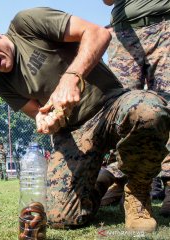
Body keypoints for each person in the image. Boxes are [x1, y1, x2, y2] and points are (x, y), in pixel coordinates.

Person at [0, 7, 170, 232]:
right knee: (60, 218)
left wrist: (71, 78)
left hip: (110, 105)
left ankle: (138, 194)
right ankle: (105, 179)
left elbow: (98, 33)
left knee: (148, 111)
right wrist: (45, 121)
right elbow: (37, 113)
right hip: (74, 131)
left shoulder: (26, 24)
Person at [102, 0, 170, 218]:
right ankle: (120, 179)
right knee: (120, 107)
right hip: (125, 31)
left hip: (165, 24)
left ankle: (169, 183)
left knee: (167, 104)